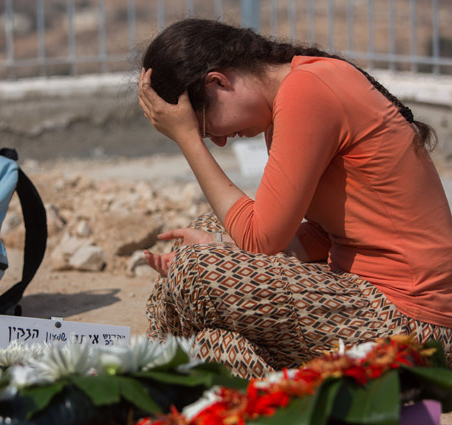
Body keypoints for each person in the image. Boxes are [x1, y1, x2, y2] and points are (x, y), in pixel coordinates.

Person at [137, 18, 452, 378]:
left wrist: (187, 140)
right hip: (360, 291)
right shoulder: (292, 95)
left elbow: (261, 239)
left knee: (197, 270)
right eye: (206, 137)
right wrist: (220, 244)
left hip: (411, 319)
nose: (220, 142)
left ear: (218, 82)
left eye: (208, 129)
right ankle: (274, 384)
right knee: (216, 335)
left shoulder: (307, 91)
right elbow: (323, 235)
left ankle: (160, 362)